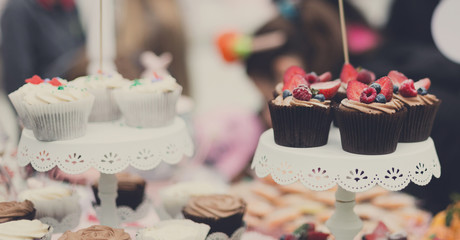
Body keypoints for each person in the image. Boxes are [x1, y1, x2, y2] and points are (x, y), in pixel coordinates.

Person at [1, 0, 87, 94]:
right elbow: (17, 83)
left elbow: (81, 49)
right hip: (41, 102)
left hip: (73, 99)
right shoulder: (17, 10)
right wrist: (71, 69)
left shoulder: (68, 6)